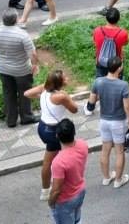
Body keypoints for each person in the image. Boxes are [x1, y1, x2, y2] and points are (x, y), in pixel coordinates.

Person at [26, 70, 79, 201]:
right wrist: (67, 97)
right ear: (59, 83)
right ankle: (46, 191)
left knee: (55, 156)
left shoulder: (44, 89)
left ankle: (53, 183)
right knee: (51, 160)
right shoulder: (61, 96)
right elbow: (75, 109)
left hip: (42, 127)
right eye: (64, 77)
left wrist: (41, 96)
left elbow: (27, 93)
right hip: (54, 131)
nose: (67, 78)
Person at [86, 54, 129, 189]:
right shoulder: (123, 85)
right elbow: (127, 106)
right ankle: (118, 180)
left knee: (105, 149)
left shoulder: (98, 82)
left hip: (104, 121)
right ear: (119, 68)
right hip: (118, 121)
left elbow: (91, 101)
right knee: (119, 151)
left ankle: (106, 178)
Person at [0, 9, 39, 128]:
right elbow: (32, 54)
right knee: (25, 93)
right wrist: (34, 65)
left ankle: (11, 120)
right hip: (22, 70)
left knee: (8, 93)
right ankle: (26, 117)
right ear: (16, 20)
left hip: (3, 69)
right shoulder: (22, 34)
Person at [48, 119, 89, 224]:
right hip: (80, 191)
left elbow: (57, 189)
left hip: (65, 200)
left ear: (57, 136)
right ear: (74, 133)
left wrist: (51, 202)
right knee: (77, 218)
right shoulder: (83, 145)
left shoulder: (58, 162)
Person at [93, 6, 129, 77]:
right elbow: (125, 43)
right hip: (115, 64)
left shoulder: (97, 30)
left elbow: (95, 44)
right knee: (117, 85)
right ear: (119, 19)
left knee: (101, 85)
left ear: (105, 18)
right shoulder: (123, 33)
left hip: (101, 62)